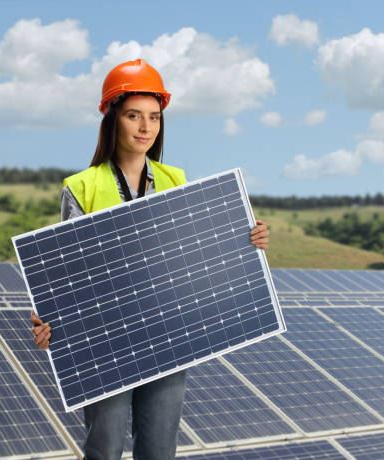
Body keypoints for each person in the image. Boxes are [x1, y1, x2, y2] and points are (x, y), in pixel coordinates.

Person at [30, 59, 269, 460]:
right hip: (104, 340)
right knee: (105, 447)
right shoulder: (82, 186)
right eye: (133, 116)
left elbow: (198, 251)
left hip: (167, 334)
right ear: (112, 119)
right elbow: (65, 272)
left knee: (160, 449)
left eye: (154, 117)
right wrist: (49, 322)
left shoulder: (176, 179)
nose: (145, 127)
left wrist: (247, 239)